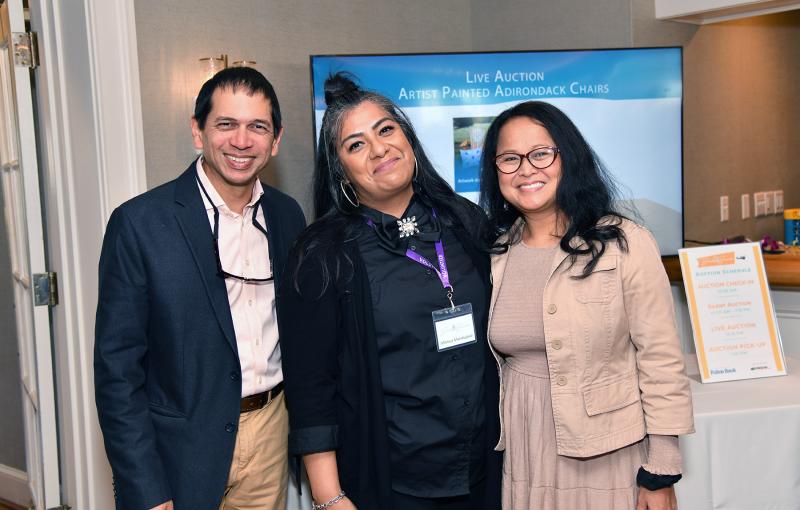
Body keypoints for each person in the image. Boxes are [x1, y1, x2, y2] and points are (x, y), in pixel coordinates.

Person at [279, 73, 502, 510]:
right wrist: (328, 495)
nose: (379, 148)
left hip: (485, 470)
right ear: (341, 169)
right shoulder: (322, 253)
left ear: (408, 139)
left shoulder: (466, 223)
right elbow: (311, 387)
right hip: (394, 480)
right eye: (356, 144)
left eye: (386, 129)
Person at [94, 66, 305, 510]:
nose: (242, 141)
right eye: (226, 124)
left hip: (270, 434)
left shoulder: (288, 217)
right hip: (180, 452)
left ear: (276, 139)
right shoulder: (140, 224)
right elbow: (118, 373)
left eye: (257, 127)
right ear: (198, 131)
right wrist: (146, 488)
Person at [478, 101, 694, 510]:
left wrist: (662, 470)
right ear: (495, 171)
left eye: (541, 154)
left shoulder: (624, 243)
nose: (526, 169)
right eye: (510, 159)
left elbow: (661, 359)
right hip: (522, 449)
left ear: (569, 157)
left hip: (606, 452)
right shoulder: (494, 252)